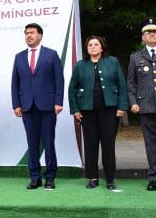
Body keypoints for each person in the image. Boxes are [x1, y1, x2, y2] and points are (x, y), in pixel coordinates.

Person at [68, 36, 127, 190]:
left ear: (102, 47)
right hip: (87, 111)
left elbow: (122, 85)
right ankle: (93, 177)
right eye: (90, 45)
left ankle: (110, 179)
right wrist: (75, 109)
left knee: (108, 145)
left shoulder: (112, 61)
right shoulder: (81, 65)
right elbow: (72, 89)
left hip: (110, 110)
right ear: (87, 49)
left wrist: (121, 107)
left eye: (96, 44)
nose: (93, 47)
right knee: (90, 144)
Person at [11, 23, 64, 190]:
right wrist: (16, 104)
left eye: (32, 33)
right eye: (26, 33)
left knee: (48, 142)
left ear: (40, 35)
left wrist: (58, 102)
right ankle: (35, 177)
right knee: (32, 143)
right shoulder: (19, 57)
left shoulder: (51, 54)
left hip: (48, 106)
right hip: (27, 106)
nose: (29, 35)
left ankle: (50, 177)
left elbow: (59, 80)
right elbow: (15, 82)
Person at [127, 17, 156, 191]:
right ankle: (153, 178)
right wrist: (133, 102)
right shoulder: (135, 58)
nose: (152, 34)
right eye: (148, 32)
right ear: (142, 37)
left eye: (154, 31)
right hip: (146, 107)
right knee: (151, 144)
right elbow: (131, 83)